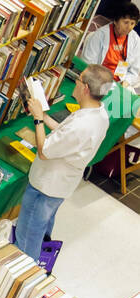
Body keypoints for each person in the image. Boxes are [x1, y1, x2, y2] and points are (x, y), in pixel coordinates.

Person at [13, 63, 113, 261]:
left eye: (78, 79)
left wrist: (38, 120)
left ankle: (24, 273)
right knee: (43, 229)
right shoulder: (100, 114)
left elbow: (44, 151)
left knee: (27, 238)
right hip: (62, 185)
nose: (75, 82)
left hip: (45, 186)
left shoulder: (82, 125)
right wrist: (43, 115)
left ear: (84, 88)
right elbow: (64, 133)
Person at [79, 3, 140, 89]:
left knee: (132, 102)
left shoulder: (136, 40)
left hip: (121, 83)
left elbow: (134, 71)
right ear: (115, 21)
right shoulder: (100, 35)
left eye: (132, 24)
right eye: (125, 22)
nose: (128, 27)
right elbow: (87, 63)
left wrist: (125, 83)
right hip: (98, 80)